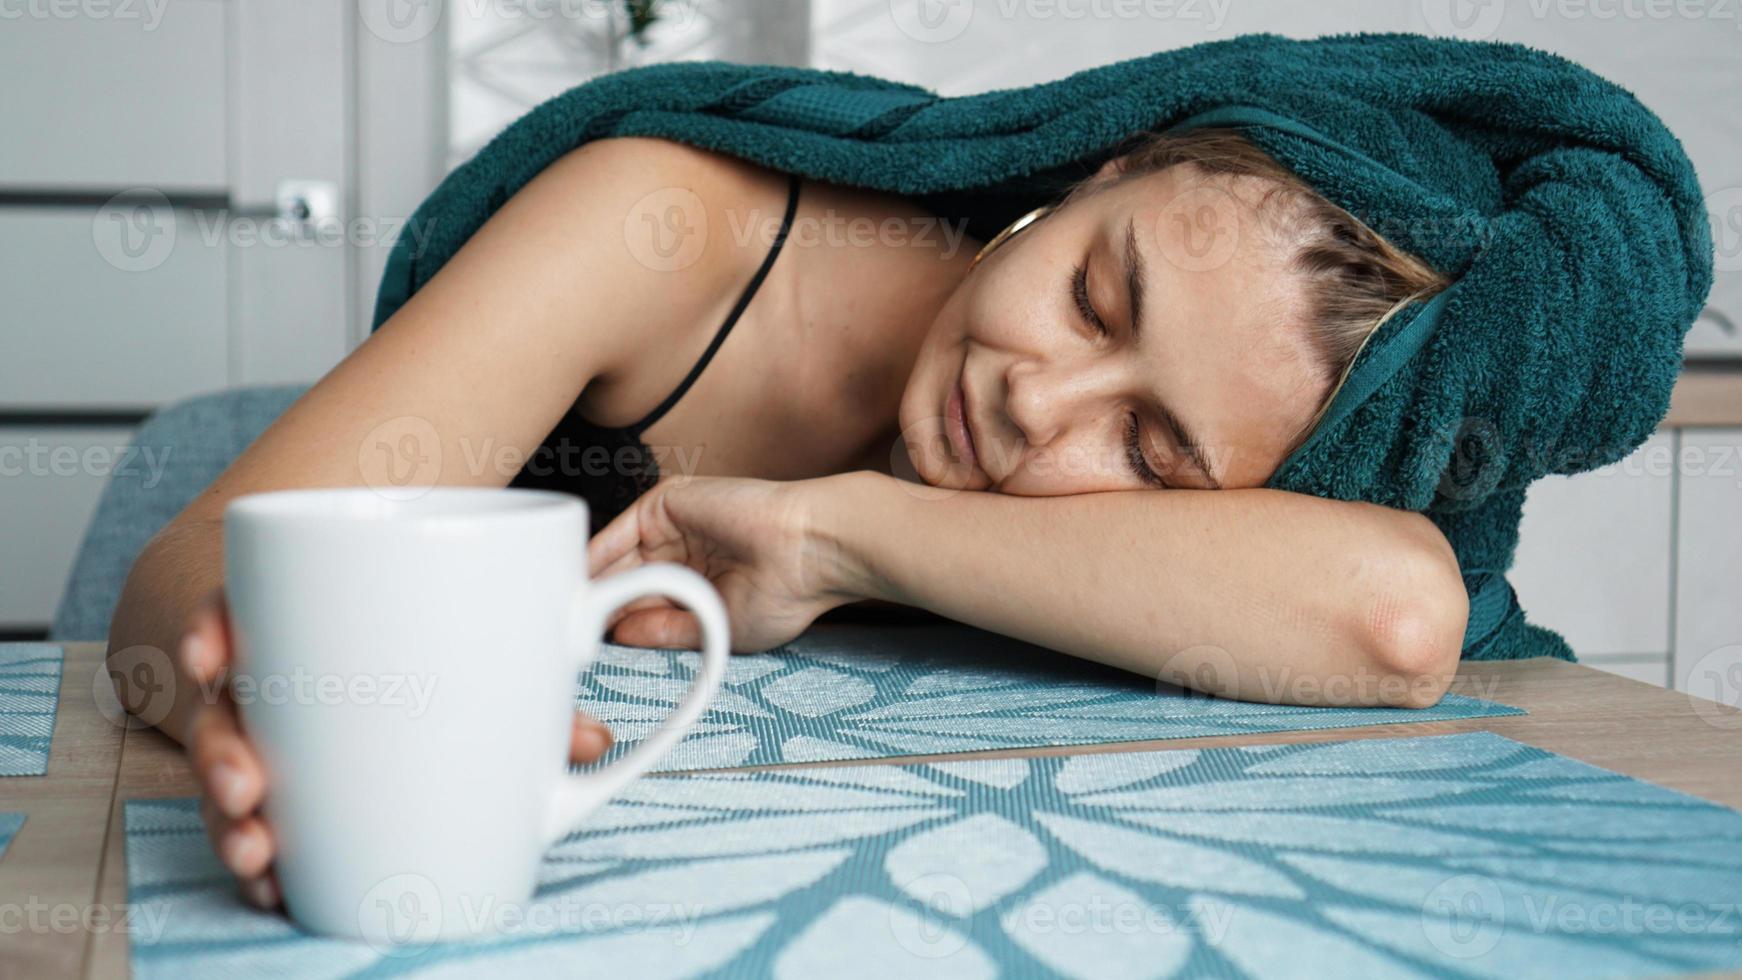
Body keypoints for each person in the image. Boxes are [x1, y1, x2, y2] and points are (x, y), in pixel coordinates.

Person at [105, 130, 1468, 910]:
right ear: (1102, 169)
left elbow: (1393, 617)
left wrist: (833, 534)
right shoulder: (658, 227)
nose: (1034, 402)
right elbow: (182, 574)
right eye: (1092, 299)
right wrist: (278, 697)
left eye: (1151, 451)